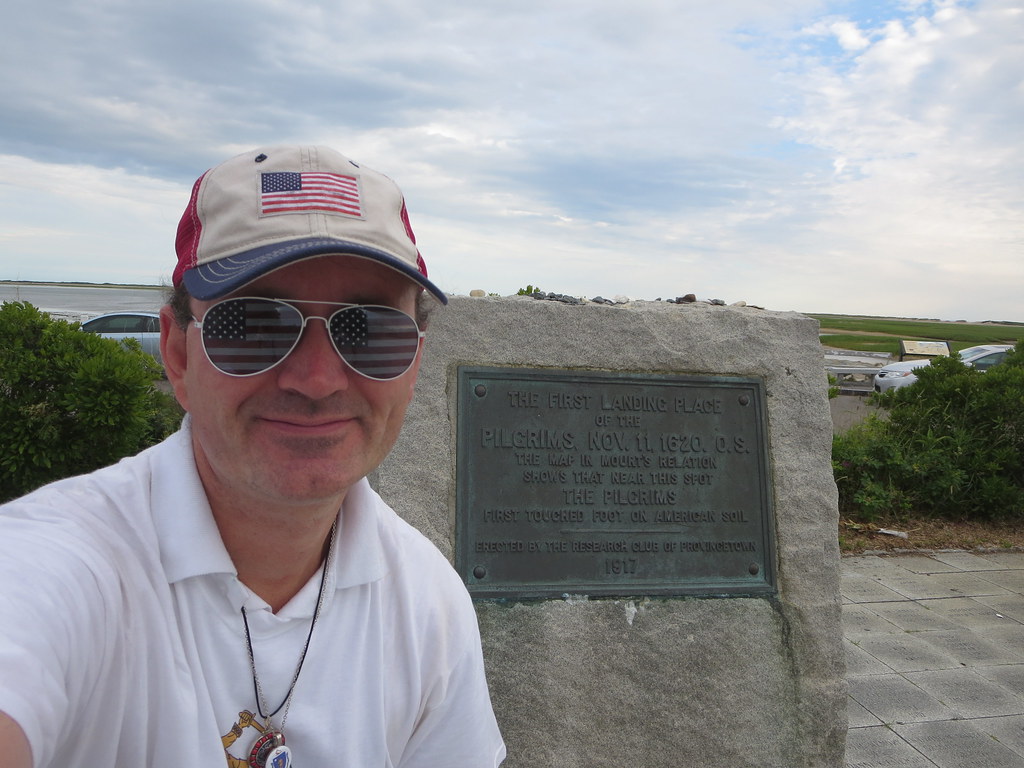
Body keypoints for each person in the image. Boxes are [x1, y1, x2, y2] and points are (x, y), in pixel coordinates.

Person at [0, 145, 506, 767]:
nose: (316, 380)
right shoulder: (61, 569)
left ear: (415, 364)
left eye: (369, 331)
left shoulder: (429, 604)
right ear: (178, 356)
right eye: (252, 326)